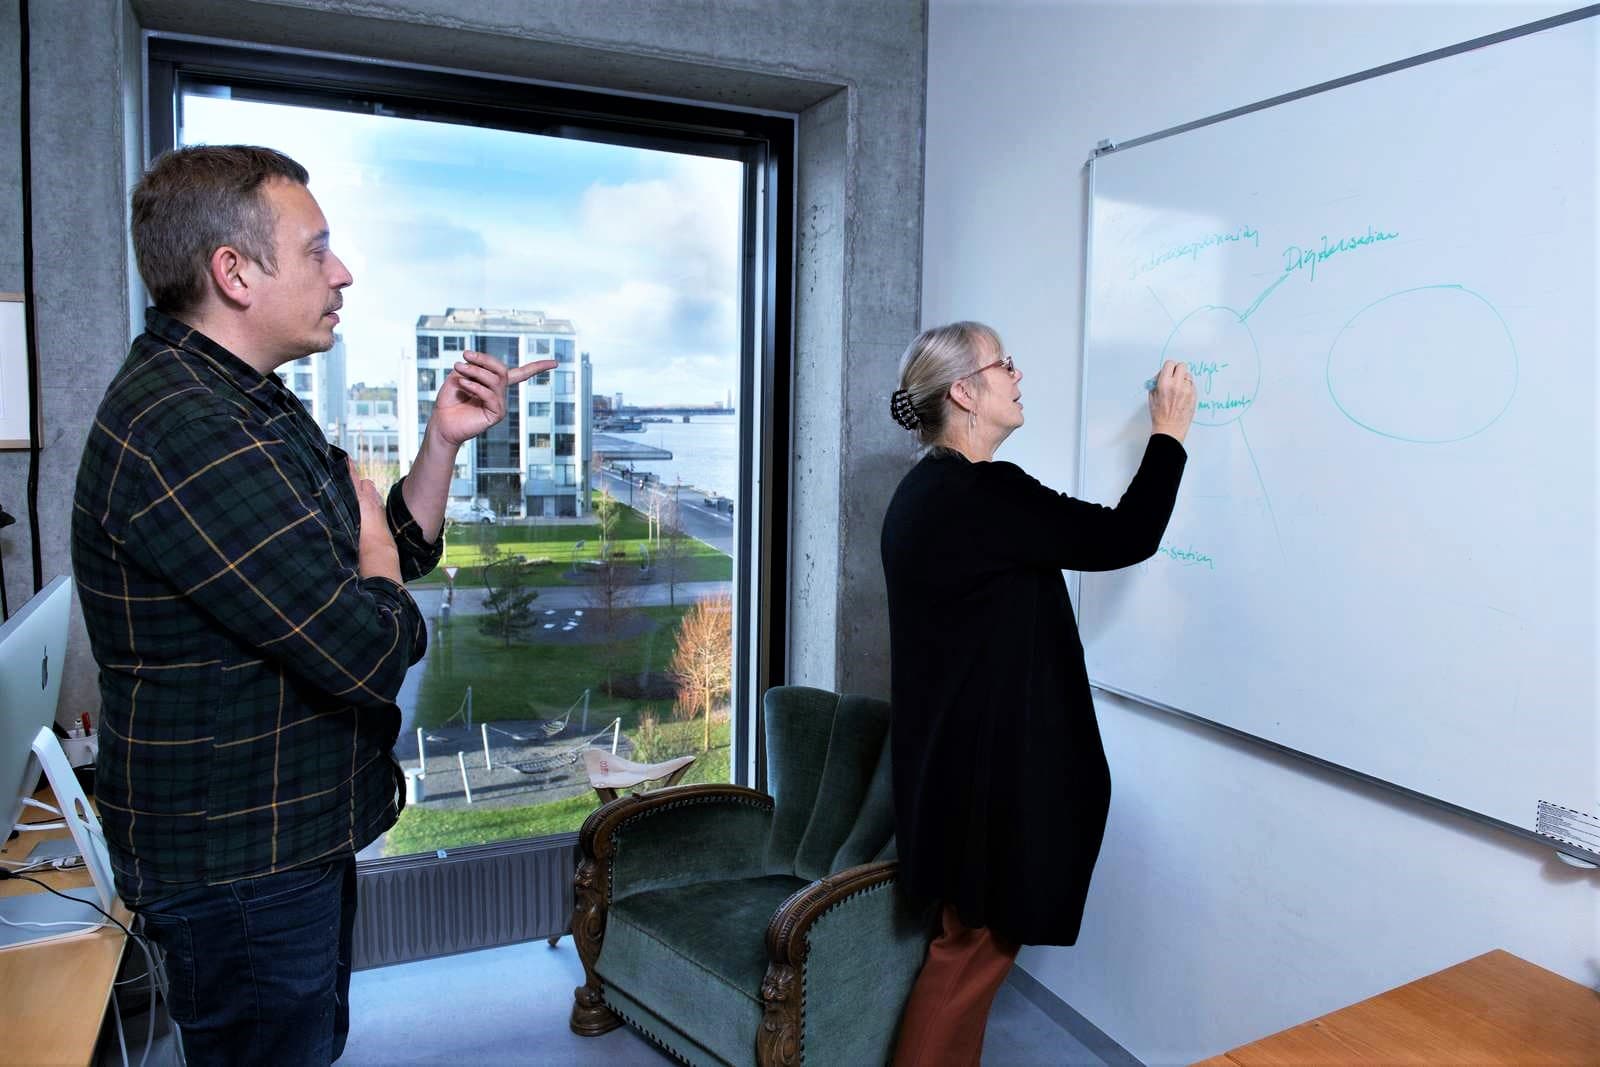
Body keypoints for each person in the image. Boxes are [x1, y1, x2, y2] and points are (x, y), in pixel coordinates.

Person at [70, 145, 555, 1065]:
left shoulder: (250, 405)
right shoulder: (187, 431)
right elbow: (370, 642)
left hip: (282, 840)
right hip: (241, 862)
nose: (343, 273)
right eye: (317, 250)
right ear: (235, 271)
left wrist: (442, 443)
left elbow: (389, 554)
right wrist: (374, 557)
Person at [880, 321, 1195, 1065]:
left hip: (949, 779)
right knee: (967, 962)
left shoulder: (922, 492)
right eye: (1004, 363)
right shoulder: (986, 495)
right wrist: (1169, 434)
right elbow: (1125, 535)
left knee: (964, 955)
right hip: (990, 790)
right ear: (965, 390)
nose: (1017, 375)